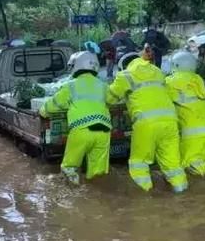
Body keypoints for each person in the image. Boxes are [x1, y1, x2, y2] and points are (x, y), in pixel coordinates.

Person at [107, 48, 188, 193]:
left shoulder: (125, 75)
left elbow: (110, 98)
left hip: (146, 124)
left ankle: (145, 198)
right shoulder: (157, 71)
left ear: (123, 65)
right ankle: (181, 192)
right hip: (170, 122)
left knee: (139, 163)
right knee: (173, 165)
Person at [39, 51, 112, 185]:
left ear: (76, 66)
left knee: (70, 168)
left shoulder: (71, 86)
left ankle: (74, 197)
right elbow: (113, 100)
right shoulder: (103, 85)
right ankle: (98, 196)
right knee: (98, 172)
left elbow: (54, 104)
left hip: (81, 130)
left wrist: (42, 111)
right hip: (104, 131)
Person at [165, 50, 205, 175]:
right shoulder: (197, 80)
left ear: (176, 65)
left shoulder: (170, 82)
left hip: (193, 134)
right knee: (201, 165)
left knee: (193, 169)